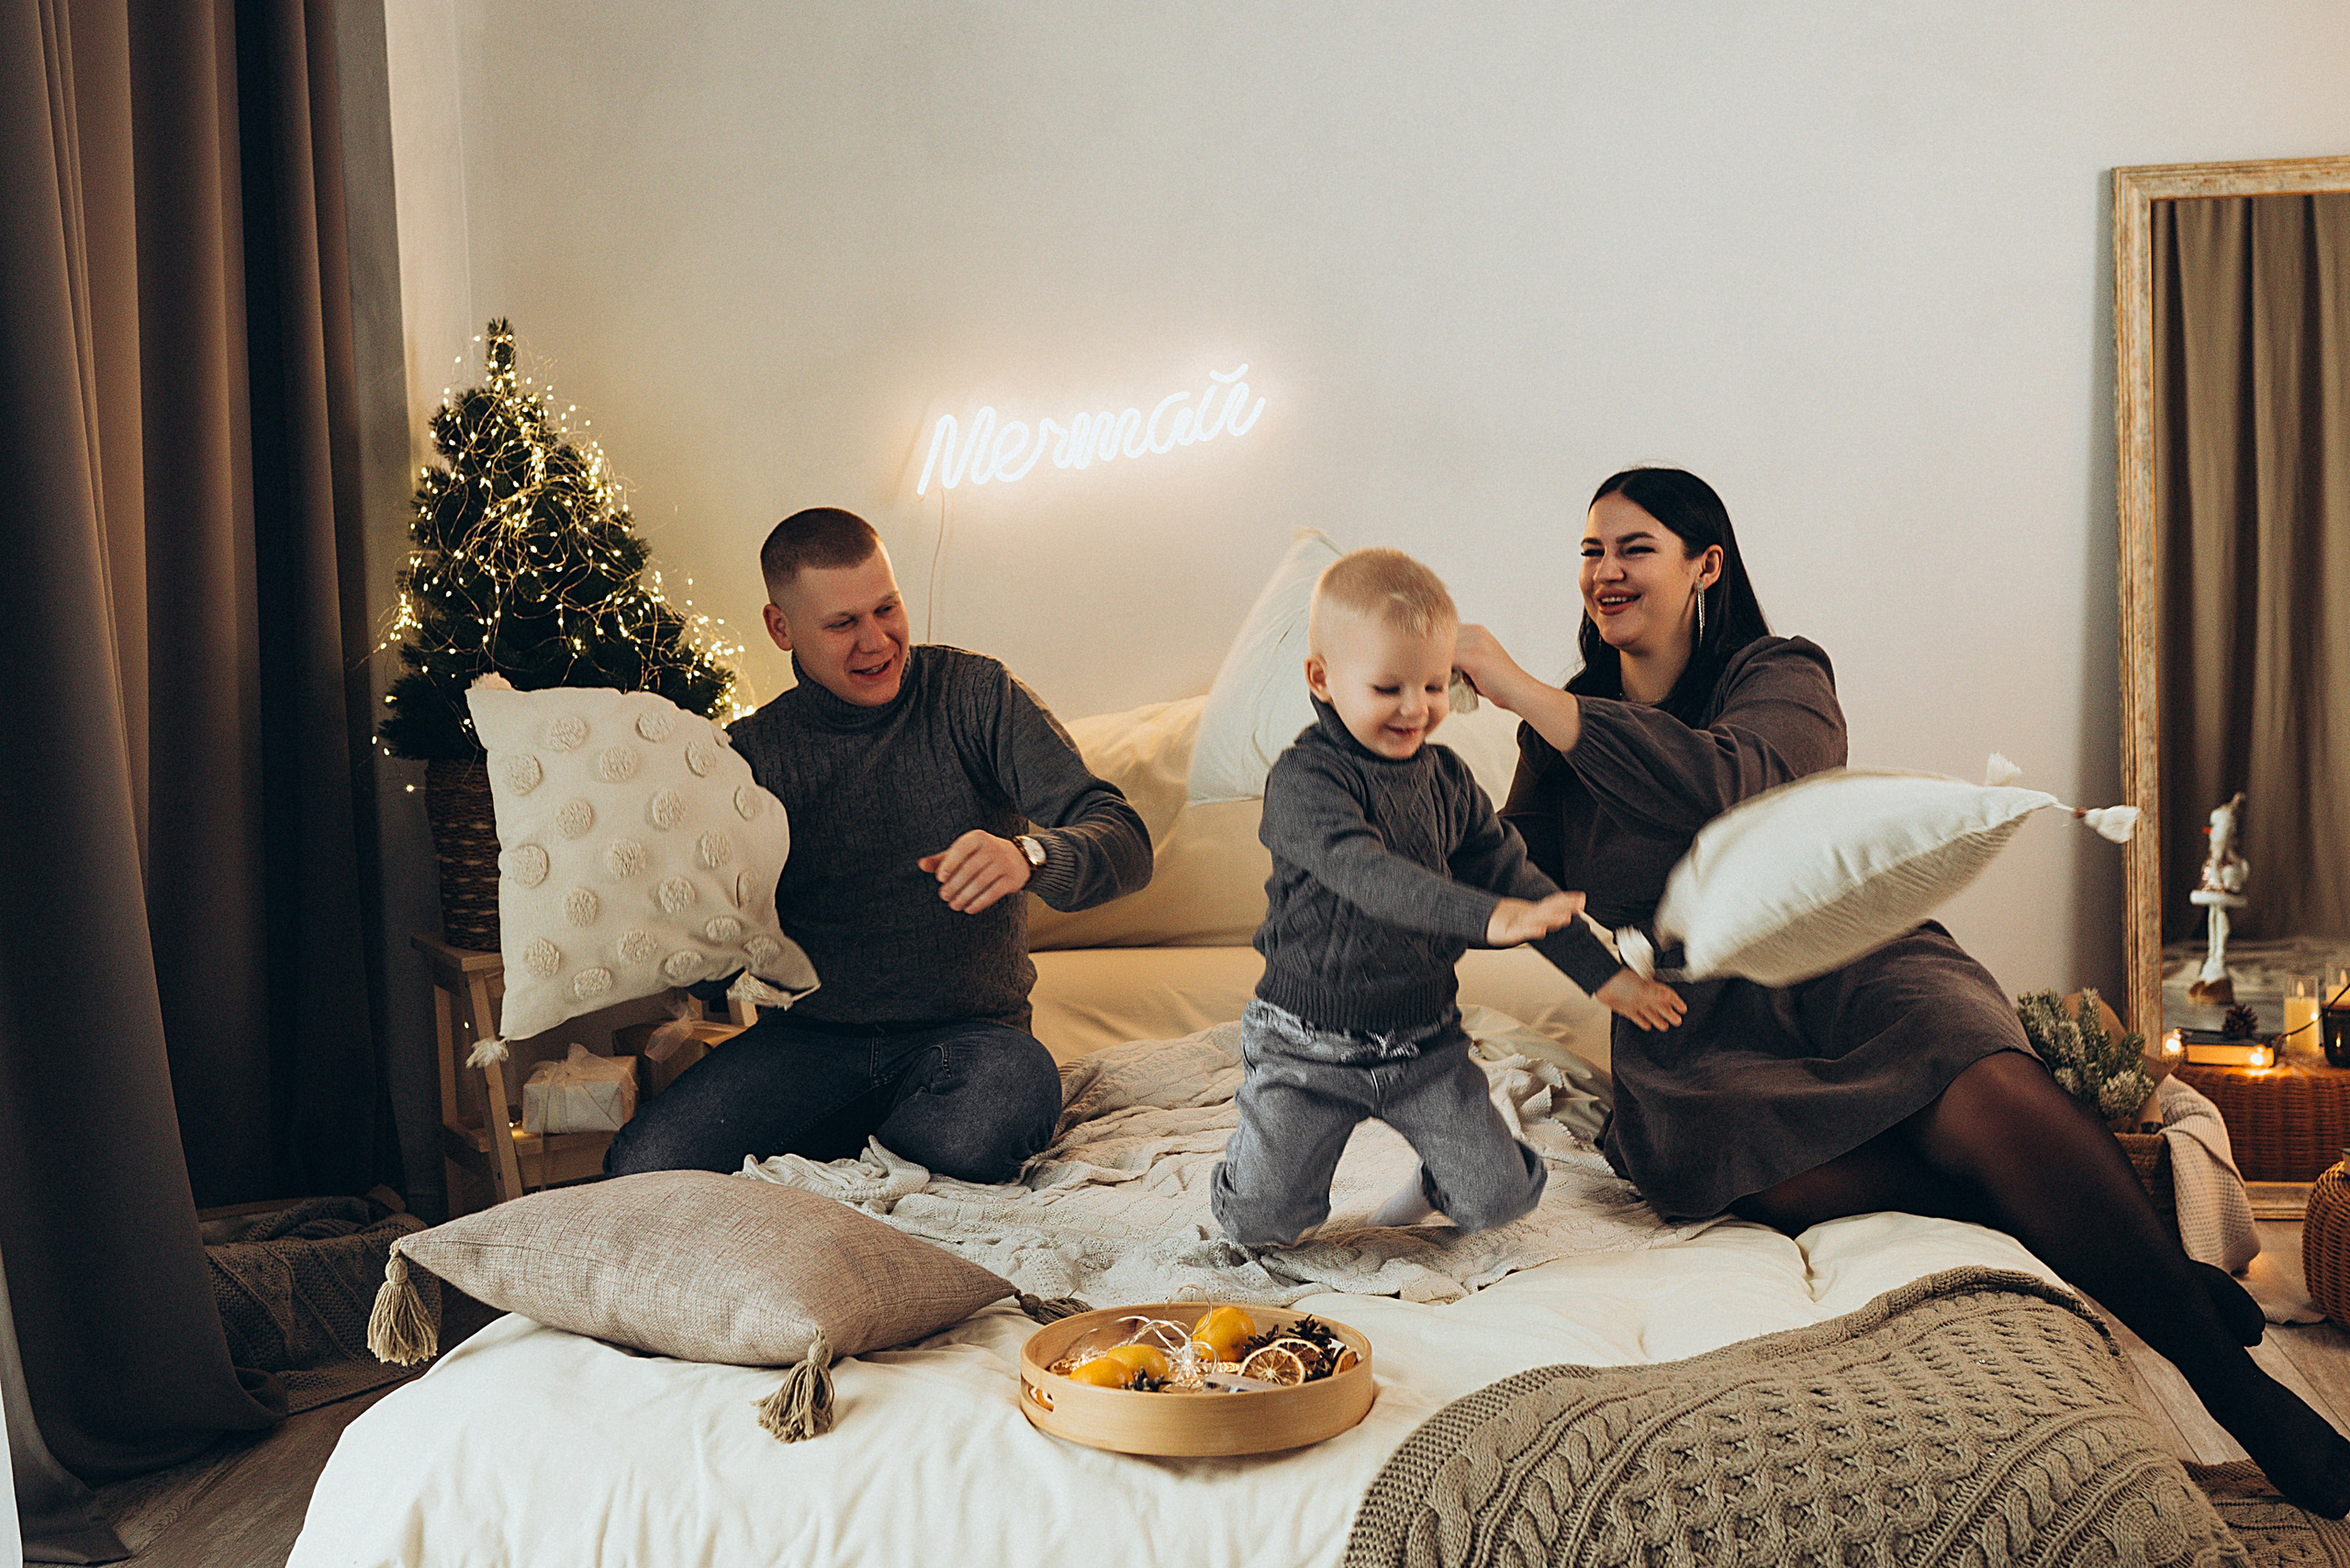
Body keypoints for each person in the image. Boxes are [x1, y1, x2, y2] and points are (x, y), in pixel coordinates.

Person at [1449, 465, 2350, 1516]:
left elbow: (1734, 787)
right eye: (1591, 550)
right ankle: (2128, 1264)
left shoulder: (1780, 673)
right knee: (1744, 1167)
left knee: (1980, 1084)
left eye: (1632, 547)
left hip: (1849, 953)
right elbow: (1531, 884)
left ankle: (2237, 1390)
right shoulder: (1557, 729)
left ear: (1705, 565)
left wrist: (1524, 688)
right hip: (1697, 1011)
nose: (1603, 571)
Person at [604, 507, 1152, 1184]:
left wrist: (1028, 857)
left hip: (972, 1041)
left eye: (886, 609)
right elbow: (705, 975)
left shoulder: (977, 697)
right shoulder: (748, 758)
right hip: (810, 1045)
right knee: (643, 1164)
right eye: (843, 623)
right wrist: (691, 919)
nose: (877, 641)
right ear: (782, 628)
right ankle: (871, 1159)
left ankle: (841, 1166)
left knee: (995, 1113)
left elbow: (1125, 839)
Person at [1208, 547, 1680, 1246]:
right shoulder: (1305, 781)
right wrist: (1488, 919)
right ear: (1323, 680)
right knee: (1263, 1224)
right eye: (1388, 688)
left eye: (1432, 687)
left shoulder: (1448, 780)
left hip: (1423, 1042)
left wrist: (1606, 977)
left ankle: (1440, 1180)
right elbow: (1370, 876)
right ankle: (1251, 1176)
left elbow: (1513, 878)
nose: (1415, 709)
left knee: (1499, 1200)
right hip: (1306, 1044)